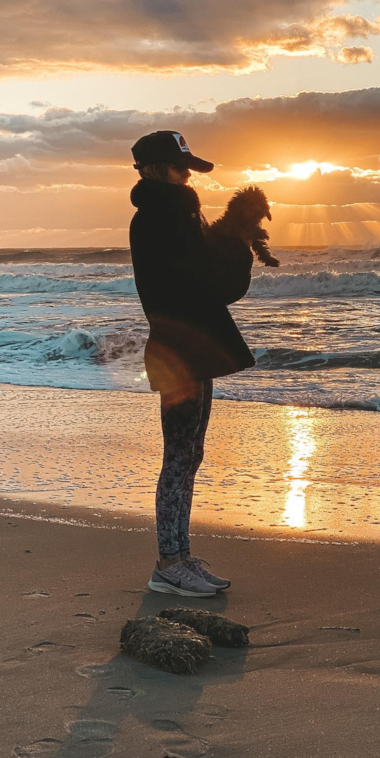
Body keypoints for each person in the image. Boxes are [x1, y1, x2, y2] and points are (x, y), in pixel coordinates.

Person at [129, 130, 255, 597]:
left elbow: (208, 282)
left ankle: (179, 556)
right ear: (160, 169)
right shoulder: (162, 219)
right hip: (179, 351)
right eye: (182, 168)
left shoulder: (173, 215)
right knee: (179, 457)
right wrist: (235, 243)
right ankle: (169, 562)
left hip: (188, 348)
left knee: (189, 456)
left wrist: (227, 241)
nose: (188, 175)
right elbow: (208, 285)